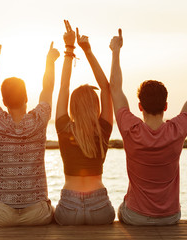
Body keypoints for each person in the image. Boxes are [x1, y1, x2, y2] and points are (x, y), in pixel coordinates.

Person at [109, 29, 187, 225]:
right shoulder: (177, 130)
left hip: (135, 217)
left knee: (121, 208)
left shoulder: (131, 129)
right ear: (166, 106)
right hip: (170, 217)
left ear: (140, 106)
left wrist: (115, 51)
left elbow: (115, 88)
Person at [0, 41, 60, 227]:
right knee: (53, 210)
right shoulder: (39, 119)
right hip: (37, 214)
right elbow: (48, 87)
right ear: (26, 98)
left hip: (3, 215)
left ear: (4, 100)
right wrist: (49, 61)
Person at [54, 20, 115, 225]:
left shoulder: (63, 127)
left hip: (69, 207)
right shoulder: (104, 129)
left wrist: (69, 48)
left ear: (73, 106)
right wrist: (87, 50)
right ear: (95, 106)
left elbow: (64, 86)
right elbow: (106, 88)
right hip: (100, 207)